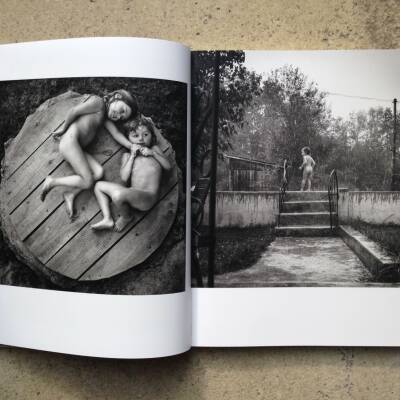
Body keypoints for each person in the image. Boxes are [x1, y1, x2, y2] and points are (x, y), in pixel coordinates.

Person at [40, 89, 138, 219]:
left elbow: (116, 134)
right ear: (117, 96)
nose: (118, 116)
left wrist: (131, 146)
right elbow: (74, 111)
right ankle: (52, 181)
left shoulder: (105, 118)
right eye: (122, 110)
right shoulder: (99, 103)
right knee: (87, 182)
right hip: (70, 142)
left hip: (77, 148)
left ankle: (71, 194)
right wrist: (64, 129)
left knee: (98, 172)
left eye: (122, 117)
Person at [90, 116, 172, 232]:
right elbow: (124, 178)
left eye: (145, 135)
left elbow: (168, 167)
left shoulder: (154, 149)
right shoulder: (127, 156)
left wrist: (153, 154)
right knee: (98, 186)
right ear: (129, 139)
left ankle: (126, 217)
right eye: (135, 136)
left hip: (148, 197)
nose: (141, 139)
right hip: (132, 195)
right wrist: (132, 156)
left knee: (118, 195)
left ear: (152, 137)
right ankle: (107, 218)